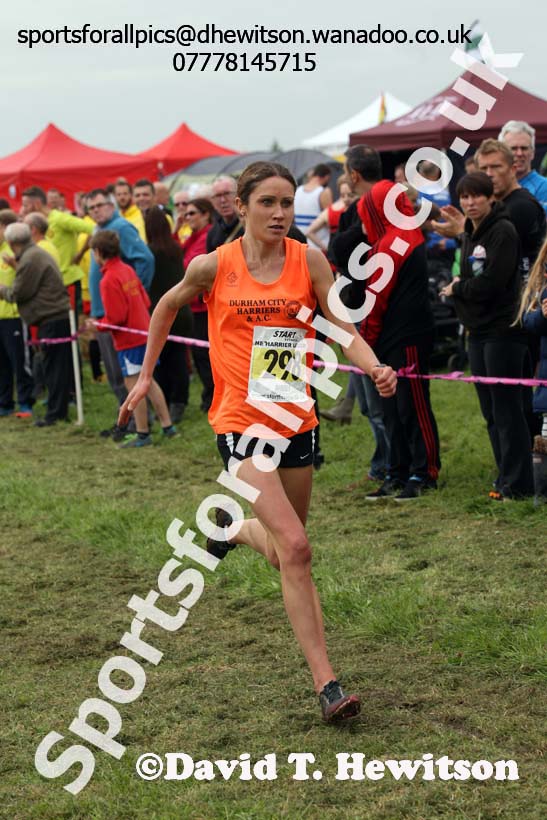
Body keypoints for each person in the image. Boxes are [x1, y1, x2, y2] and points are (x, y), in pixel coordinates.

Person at [119, 161, 397, 722]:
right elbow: (167, 306)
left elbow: (342, 326)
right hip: (240, 424)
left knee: (279, 550)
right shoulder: (212, 265)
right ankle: (328, 685)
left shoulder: (308, 260)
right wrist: (145, 376)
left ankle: (233, 530)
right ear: (242, 207)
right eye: (267, 202)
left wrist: (372, 365)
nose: (279, 213)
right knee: (297, 548)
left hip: (296, 422)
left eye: (287, 203)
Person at [440, 172, 534, 500]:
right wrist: (461, 286)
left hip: (503, 331)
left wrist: (457, 289)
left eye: (476, 196)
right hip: (477, 331)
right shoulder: (471, 232)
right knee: (491, 412)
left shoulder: (503, 231)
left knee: (508, 411)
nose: (470, 203)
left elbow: (492, 283)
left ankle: (519, 484)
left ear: (490, 197)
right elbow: (471, 274)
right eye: (464, 197)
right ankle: (505, 477)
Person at [90, 230, 176, 447]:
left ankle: (142, 433)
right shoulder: (127, 270)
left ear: (98, 252)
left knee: (134, 385)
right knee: (149, 382)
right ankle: (168, 426)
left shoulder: (108, 279)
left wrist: (97, 325)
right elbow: (145, 301)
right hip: (145, 332)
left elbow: (116, 318)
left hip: (129, 340)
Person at [87, 189, 154, 436]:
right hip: (107, 315)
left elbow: (145, 259)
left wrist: (132, 296)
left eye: (99, 205)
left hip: (118, 320)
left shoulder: (120, 228)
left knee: (125, 375)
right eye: (91, 208)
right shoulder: (101, 229)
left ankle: (134, 423)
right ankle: (126, 420)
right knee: (118, 374)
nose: (96, 211)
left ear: (111, 204)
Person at [0, 222, 71, 426]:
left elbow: (18, 293)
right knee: (54, 367)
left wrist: (2, 289)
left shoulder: (30, 259)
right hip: (52, 316)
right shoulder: (33, 255)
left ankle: (55, 414)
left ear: (11, 243)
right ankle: (57, 412)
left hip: (51, 317)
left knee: (54, 368)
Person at [145, 206, 193, 423]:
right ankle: (178, 402)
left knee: (161, 362)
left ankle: (166, 403)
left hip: (160, 313)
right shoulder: (175, 248)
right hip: (182, 312)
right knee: (179, 360)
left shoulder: (148, 253)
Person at [180, 198, 216, 412]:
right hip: (194, 304)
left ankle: (212, 395)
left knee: (204, 354)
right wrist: (176, 229)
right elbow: (178, 253)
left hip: (204, 306)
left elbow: (188, 266)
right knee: (199, 353)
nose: (187, 217)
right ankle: (209, 394)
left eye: (192, 213)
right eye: (186, 214)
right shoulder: (193, 236)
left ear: (205, 214)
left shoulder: (206, 237)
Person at [0, 210, 34, 418]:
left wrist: (15, 264)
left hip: (14, 316)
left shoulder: (13, 251)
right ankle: (5, 402)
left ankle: (25, 401)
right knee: (2, 363)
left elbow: (28, 273)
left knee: (19, 361)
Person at [499, 120, 547, 213]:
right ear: (501, 153)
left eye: (524, 148)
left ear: (532, 153)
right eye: (513, 148)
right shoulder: (494, 187)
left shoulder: (544, 187)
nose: (519, 153)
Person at [293, 163, 333, 249]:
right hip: (319, 243)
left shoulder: (297, 190)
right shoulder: (324, 192)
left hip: (299, 243)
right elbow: (330, 219)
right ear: (326, 177)